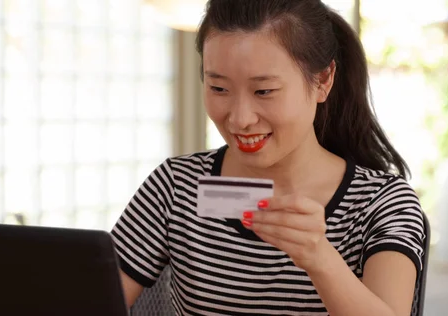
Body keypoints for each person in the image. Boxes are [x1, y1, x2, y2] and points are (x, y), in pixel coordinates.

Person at [112, 0, 426, 315]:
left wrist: (320, 258)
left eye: (264, 91)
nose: (239, 119)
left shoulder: (382, 203)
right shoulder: (177, 186)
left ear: (323, 80)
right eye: (219, 88)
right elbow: (88, 299)